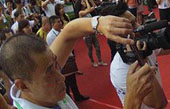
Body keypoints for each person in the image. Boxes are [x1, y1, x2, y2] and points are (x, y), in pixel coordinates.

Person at [0, 14, 133, 109]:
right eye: (49, 73)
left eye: (55, 65)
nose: (61, 76)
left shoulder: (36, 80)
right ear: (23, 86)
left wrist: (98, 23)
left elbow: (69, 33)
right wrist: (132, 102)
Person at [103, 2, 170, 109]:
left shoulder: (144, 46)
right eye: (132, 25)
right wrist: (141, 60)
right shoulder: (120, 69)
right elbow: (159, 103)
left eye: (136, 21)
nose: (140, 26)